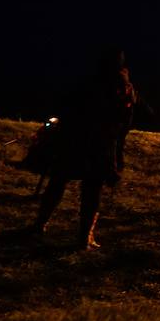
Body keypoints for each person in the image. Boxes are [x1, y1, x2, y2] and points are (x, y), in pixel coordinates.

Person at [31, 49, 137, 249]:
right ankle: (82, 237)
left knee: (61, 181)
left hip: (79, 140)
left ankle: (42, 225)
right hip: (95, 142)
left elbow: (66, 106)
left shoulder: (100, 84)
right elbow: (125, 121)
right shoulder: (124, 87)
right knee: (88, 188)